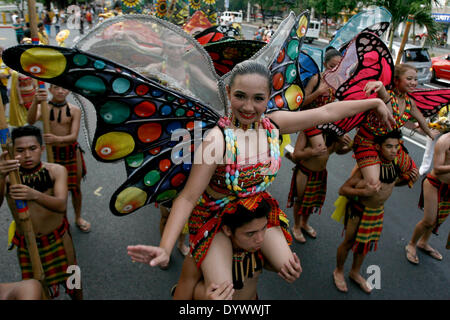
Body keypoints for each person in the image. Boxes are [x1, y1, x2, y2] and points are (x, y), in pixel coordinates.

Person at [126, 60, 394, 296]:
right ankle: (191, 291)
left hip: (255, 212)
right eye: (240, 96)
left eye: (258, 98)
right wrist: (165, 246)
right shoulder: (216, 140)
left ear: (268, 98)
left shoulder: (273, 125)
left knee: (287, 267)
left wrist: (374, 102)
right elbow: (188, 198)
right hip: (215, 218)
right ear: (228, 93)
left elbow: (325, 113)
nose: (248, 106)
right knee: (220, 292)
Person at [0, 125, 83, 299]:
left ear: (42, 149)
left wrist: (34, 194)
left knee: (74, 281)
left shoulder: (56, 171)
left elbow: (61, 205)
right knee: (36, 289)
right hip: (28, 246)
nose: (27, 155)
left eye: (32, 148)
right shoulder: (9, 177)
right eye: (20, 150)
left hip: (58, 239)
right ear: (12, 152)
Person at [332, 130, 419, 293]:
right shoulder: (368, 167)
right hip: (358, 210)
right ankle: (338, 271)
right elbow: (343, 190)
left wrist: (407, 179)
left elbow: (390, 184)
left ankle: (355, 272)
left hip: (376, 212)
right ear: (378, 147)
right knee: (349, 242)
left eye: (396, 147)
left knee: (364, 245)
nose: (393, 150)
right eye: (389, 146)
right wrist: (363, 193)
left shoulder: (395, 164)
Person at [166, 197, 300, 300]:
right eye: (250, 233)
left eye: (264, 228)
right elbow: (181, 294)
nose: (260, 239)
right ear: (228, 230)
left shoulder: (256, 246)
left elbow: (260, 266)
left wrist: (288, 270)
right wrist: (204, 297)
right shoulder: (203, 251)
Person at [353, 64, 436, 189]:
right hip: (367, 142)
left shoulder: (409, 102)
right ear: (396, 80)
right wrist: (379, 85)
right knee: (372, 183)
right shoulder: (387, 96)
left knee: (412, 174)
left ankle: (385, 186)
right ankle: (352, 193)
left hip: (390, 144)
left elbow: (422, 121)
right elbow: (382, 93)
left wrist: (431, 134)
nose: (414, 82)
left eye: (415, 79)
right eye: (409, 79)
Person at [27, 84, 91, 233]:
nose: (61, 91)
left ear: (68, 90)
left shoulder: (75, 110)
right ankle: (60, 220)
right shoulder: (43, 108)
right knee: (53, 190)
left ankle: (78, 217)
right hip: (52, 153)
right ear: (50, 90)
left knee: (75, 188)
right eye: (56, 88)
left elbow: (73, 136)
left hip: (71, 152)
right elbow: (30, 121)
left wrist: (56, 139)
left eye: (64, 88)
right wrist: (35, 101)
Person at [285, 131, 352, 243]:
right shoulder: (309, 130)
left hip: (320, 173)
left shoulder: (335, 134)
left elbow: (338, 151)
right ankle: (296, 226)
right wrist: (312, 151)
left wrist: (349, 146)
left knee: (311, 201)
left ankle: (304, 223)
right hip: (304, 172)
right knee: (300, 200)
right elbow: (297, 154)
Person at [405, 131, 450, 264]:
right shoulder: (444, 141)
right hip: (434, 184)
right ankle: (412, 244)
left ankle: (423, 243)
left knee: (437, 219)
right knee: (429, 220)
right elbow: (437, 168)